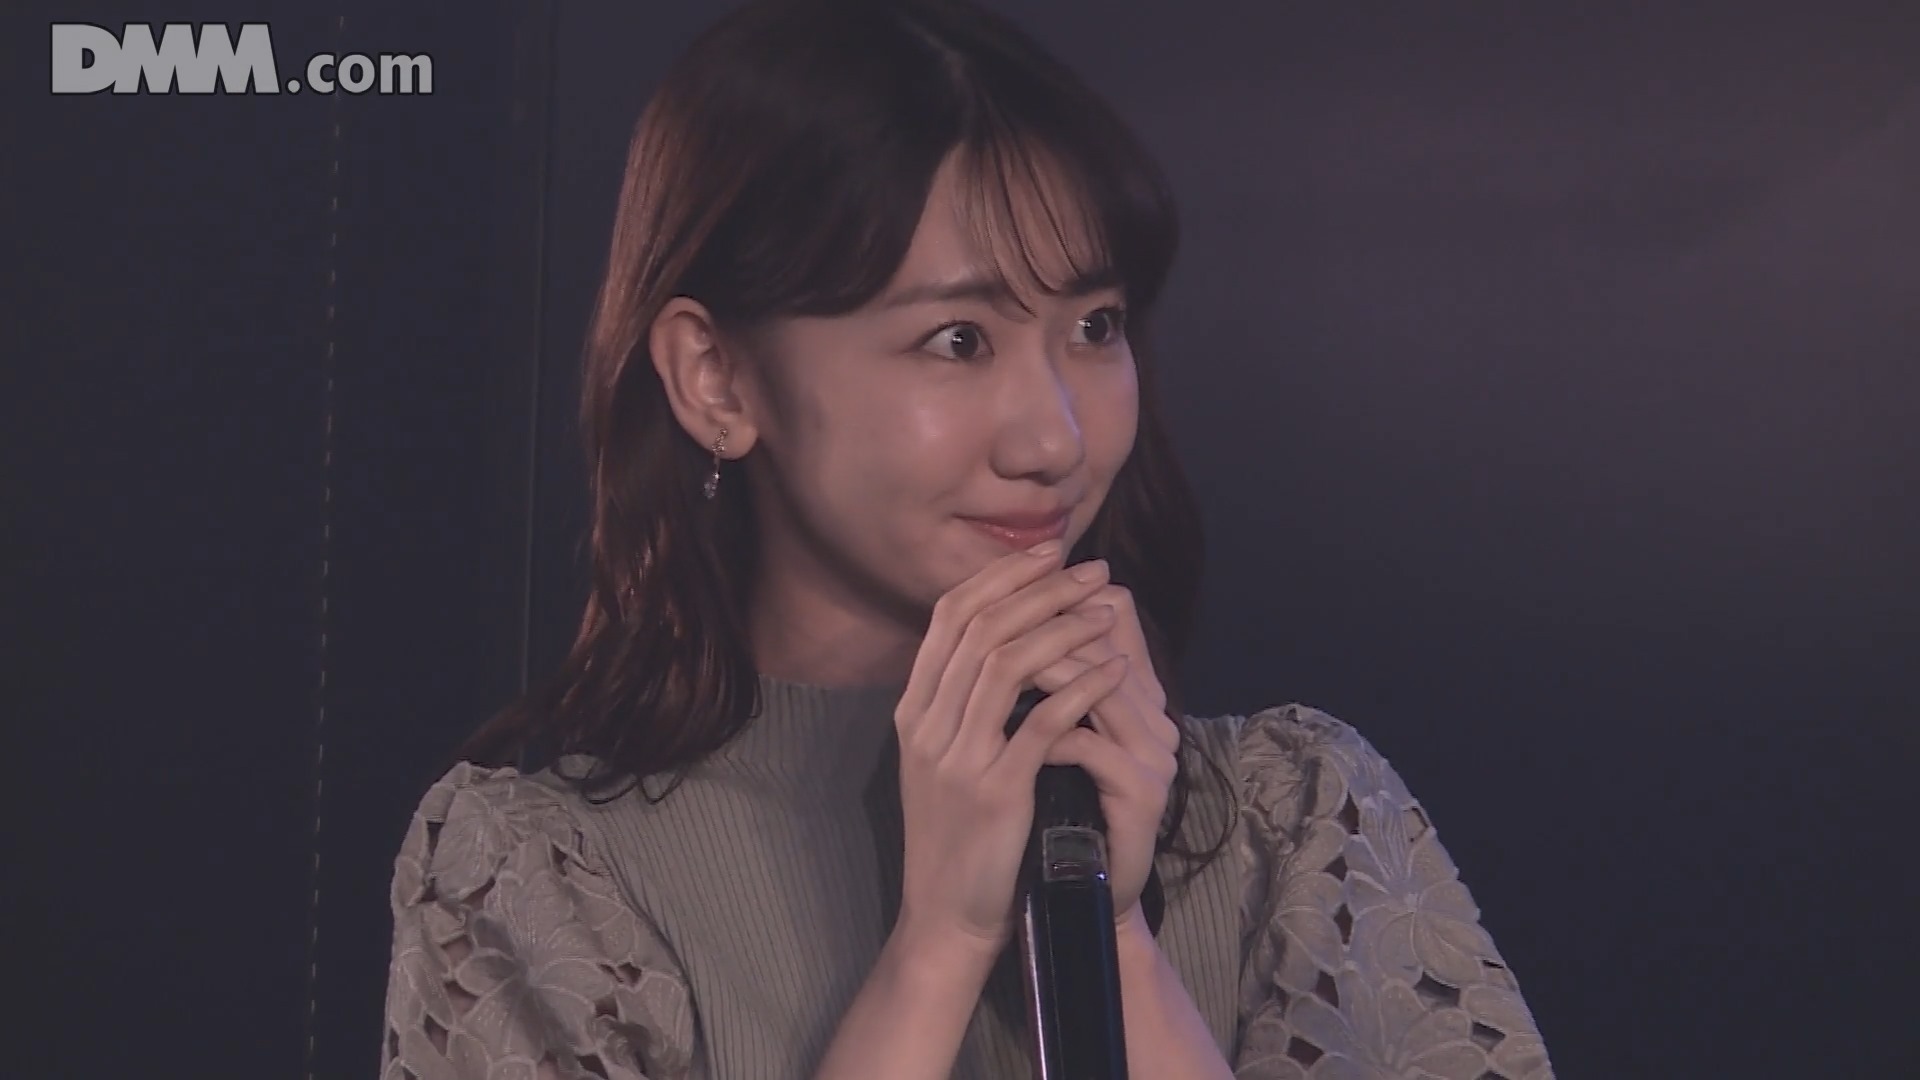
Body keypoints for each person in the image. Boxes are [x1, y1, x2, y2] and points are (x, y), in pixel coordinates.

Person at [380, 1, 1554, 1076]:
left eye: (1094, 326)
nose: (1054, 438)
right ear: (717, 378)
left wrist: (1119, 937)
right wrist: (936, 948)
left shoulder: (1292, 823)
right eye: (958, 340)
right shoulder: (542, 875)